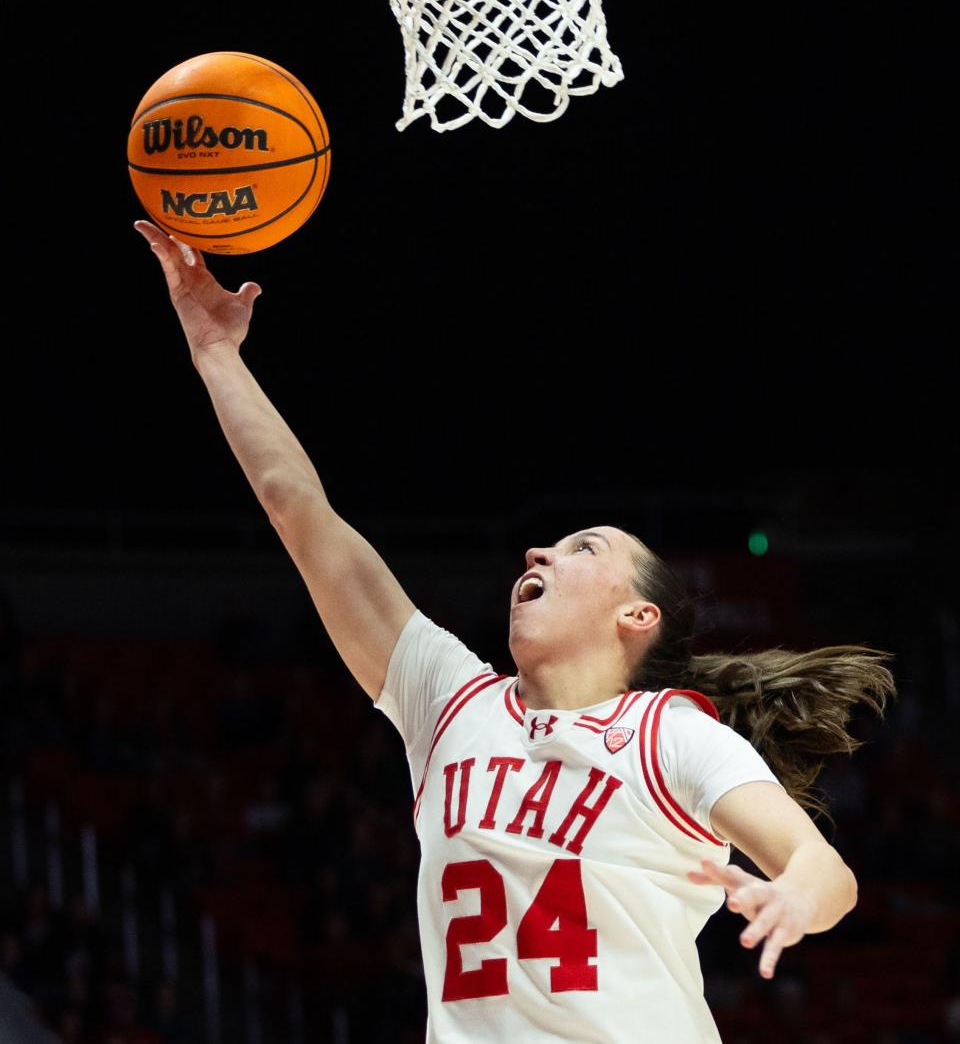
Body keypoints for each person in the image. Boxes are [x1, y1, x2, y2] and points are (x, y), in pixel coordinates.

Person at [135, 222, 894, 1044]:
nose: (540, 550)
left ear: (637, 616)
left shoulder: (670, 735)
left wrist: (792, 895)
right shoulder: (449, 702)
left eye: (584, 547)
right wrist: (216, 353)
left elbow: (825, 870)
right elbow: (299, 511)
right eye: (550, 542)